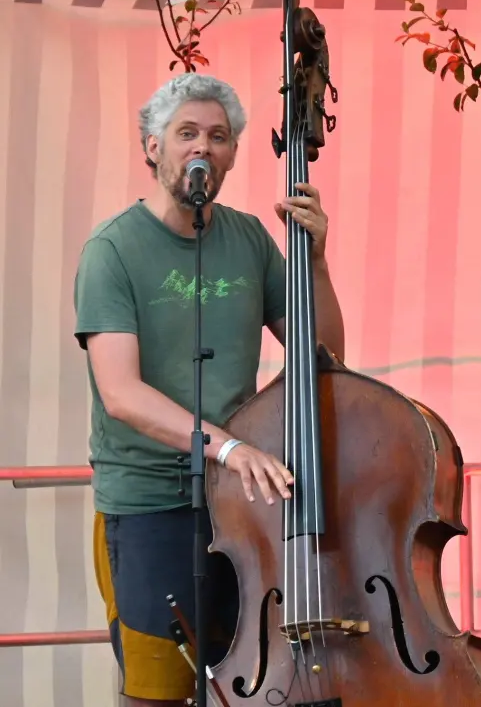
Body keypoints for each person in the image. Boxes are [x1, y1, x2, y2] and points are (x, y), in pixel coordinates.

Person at [73, 73, 347, 706]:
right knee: (158, 692)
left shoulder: (248, 238)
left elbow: (323, 356)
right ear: (152, 147)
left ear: (231, 153)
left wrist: (319, 263)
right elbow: (121, 393)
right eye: (187, 133)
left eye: (218, 137)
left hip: (242, 504)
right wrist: (228, 447)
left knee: (248, 684)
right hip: (149, 505)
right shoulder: (111, 250)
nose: (204, 148)